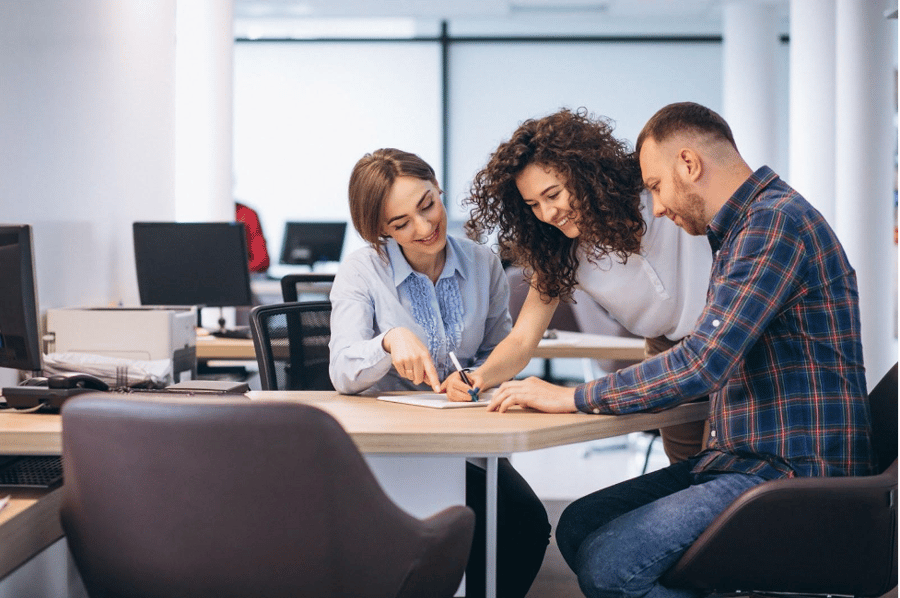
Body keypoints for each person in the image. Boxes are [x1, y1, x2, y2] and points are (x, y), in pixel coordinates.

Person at [485, 102, 875, 598]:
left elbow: (703, 362)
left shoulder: (772, 225)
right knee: (580, 525)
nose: (659, 208)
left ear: (689, 165)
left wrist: (574, 396)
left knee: (612, 566)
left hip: (789, 469)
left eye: (655, 187)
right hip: (741, 456)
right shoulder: (738, 230)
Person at [328, 148, 550, 598]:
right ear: (379, 232)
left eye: (428, 205)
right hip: (390, 450)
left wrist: (477, 375)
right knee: (478, 525)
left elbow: (498, 350)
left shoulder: (482, 262)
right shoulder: (360, 271)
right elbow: (342, 371)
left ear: (438, 188)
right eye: (401, 223)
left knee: (525, 524)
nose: (425, 227)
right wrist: (390, 340)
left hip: (465, 439)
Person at [454, 107, 712, 464]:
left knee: (732, 471)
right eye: (533, 205)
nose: (547, 214)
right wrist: (477, 377)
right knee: (688, 474)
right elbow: (521, 339)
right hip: (665, 353)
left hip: (726, 336)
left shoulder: (655, 195)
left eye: (553, 194)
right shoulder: (561, 252)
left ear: (584, 174)